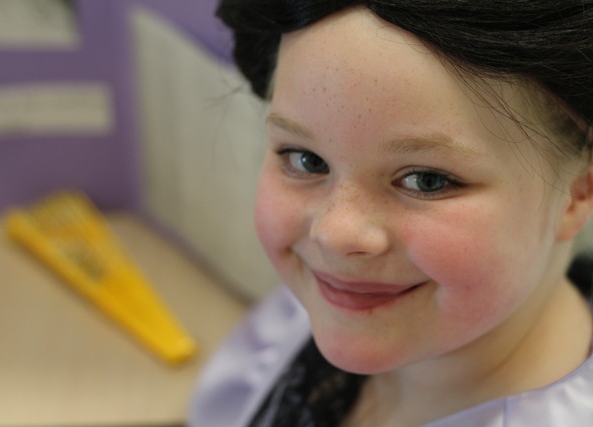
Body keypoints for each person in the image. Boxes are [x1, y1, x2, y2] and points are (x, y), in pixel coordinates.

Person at [190, 1, 593, 426]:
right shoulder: (325, 308)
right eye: (306, 159)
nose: (335, 234)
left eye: (426, 180)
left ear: (578, 193)